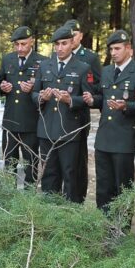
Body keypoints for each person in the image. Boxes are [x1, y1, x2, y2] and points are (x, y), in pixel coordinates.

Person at [91, 29, 135, 211]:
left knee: (123, 186)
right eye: (111, 49)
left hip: (124, 139)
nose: (113, 53)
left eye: (117, 48)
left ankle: (122, 227)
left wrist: (127, 106)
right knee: (103, 185)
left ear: (129, 50)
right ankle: (104, 222)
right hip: (104, 137)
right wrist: (91, 100)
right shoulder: (107, 71)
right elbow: (102, 99)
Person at [33, 26, 94, 203]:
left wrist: (71, 100)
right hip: (46, 130)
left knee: (70, 175)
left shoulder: (83, 68)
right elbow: (34, 93)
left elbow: (89, 99)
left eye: (64, 43)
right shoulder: (44, 66)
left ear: (72, 44)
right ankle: (50, 214)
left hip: (70, 131)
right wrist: (41, 97)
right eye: (57, 44)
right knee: (49, 175)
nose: (60, 48)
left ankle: (71, 214)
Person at [0, 26, 45, 186]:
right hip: (10, 120)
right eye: (17, 44)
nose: (20, 48)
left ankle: (29, 196)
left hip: (30, 121)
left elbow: (46, 90)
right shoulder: (7, 59)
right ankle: (9, 196)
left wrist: (34, 88)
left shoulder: (42, 61)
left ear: (32, 41)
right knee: (9, 162)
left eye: (23, 44)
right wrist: (2, 87)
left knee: (30, 162)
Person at [63, 19, 100, 201]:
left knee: (79, 160)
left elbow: (97, 86)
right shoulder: (58, 55)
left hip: (79, 116)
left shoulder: (90, 58)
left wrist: (88, 98)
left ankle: (79, 196)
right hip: (61, 117)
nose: (71, 37)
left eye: (74, 34)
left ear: (80, 36)